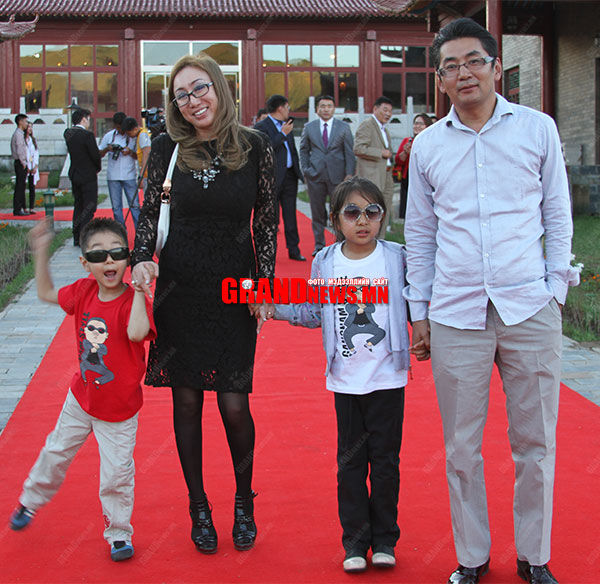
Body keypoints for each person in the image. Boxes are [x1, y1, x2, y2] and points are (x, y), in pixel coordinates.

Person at [404, 18, 578, 584]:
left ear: (496, 67)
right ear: (440, 80)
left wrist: (555, 289)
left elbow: (557, 213)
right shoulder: (428, 145)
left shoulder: (537, 129)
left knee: (536, 441)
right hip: (457, 313)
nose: (464, 73)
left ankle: (534, 556)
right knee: (461, 447)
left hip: (529, 307)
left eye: (474, 61)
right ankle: (472, 557)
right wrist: (419, 311)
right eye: (450, 66)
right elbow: (420, 233)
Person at [130, 53, 277, 554]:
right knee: (187, 400)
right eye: (181, 95)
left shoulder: (256, 145)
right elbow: (149, 211)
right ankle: (198, 505)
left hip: (234, 288)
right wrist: (141, 258)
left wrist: (265, 284)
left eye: (199, 88)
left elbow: (266, 220)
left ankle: (243, 501)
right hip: (180, 287)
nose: (192, 101)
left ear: (219, 87)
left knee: (235, 403)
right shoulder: (166, 146)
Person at [269, 177, 425, 574]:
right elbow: (313, 311)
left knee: (386, 463)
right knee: (350, 465)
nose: (363, 221)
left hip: (388, 378)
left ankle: (385, 540)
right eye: (352, 212)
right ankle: (355, 543)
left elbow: (417, 302)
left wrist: (428, 331)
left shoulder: (397, 258)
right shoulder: (326, 262)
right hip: (346, 380)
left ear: (382, 217)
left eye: (372, 212)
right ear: (336, 219)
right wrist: (273, 308)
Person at [9, 217, 155, 562]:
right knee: (55, 452)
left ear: (129, 257)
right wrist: (41, 251)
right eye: (98, 255)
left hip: (119, 411)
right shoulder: (83, 292)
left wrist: (139, 290)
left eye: (117, 253)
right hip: (81, 400)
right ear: (85, 262)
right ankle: (30, 501)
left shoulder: (132, 301)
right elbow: (45, 293)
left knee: (117, 474)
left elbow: (137, 333)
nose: (109, 261)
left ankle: (119, 533)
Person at [299, 95, 355, 256]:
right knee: (317, 212)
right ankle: (319, 246)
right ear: (317, 109)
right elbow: (303, 150)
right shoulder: (309, 127)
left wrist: (349, 174)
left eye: (329, 106)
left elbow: (349, 152)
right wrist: (306, 170)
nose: (326, 109)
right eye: (322, 106)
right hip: (315, 176)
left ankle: (340, 245)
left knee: (339, 212)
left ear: (334, 109)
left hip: (338, 176)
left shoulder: (343, 127)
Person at [255, 94, 305, 261]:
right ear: (280, 108)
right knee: (270, 217)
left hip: (290, 176)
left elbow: (292, 151)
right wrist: (282, 134)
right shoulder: (261, 126)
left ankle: (294, 249)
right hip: (271, 178)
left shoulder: (286, 125)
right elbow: (265, 149)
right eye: (288, 107)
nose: (289, 111)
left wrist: (298, 172)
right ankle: (268, 251)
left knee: (291, 215)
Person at [354, 97, 394, 235]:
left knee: (384, 211)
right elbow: (358, 148)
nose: (388, 114)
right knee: (372, 211)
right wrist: (380, 153)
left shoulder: (384, 130)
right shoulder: (367, 125)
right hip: (372, 177)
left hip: (386, 175)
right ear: (375, 109)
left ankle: (380, 240)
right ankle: (369, 240)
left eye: (390, 111)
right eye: (385, 110)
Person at [64, 108, 102, 246]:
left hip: (75, 174)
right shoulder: (87, 136)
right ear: (84, 119)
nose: (89, 122)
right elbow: (95, 155)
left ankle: (76, 236)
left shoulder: (68, 133)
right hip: (88, 175)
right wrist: (97, 168)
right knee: (89, 207)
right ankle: (84, 237)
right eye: (88, 119)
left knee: (78, 205)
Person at [99, 112, 140, 229]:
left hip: (129, 175)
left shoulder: (132, 136)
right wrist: (108, 149)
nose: (120, 129)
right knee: (116, 207)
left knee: (135, 205)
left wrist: (130, 152)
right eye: (117, 127)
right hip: (113, 176)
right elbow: (99, 153)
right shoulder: (109, 136)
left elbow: (139, 155)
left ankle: (139, 231)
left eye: (121, 127)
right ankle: (121, 231)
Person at [392, 113, 433, 221]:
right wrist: (406, 152)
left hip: (424, 177)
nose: (417, 126)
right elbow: (398, 160)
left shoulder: (431, 141)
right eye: (415, 123)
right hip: (408, 176)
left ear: (427, 126)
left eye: (421, 124)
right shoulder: (407, 140)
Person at [122, 116, 151, 191]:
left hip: (148, 174)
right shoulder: (139, 136)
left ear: (135, 129)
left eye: (129, 133)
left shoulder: (143, 135)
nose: (129, 136)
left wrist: (141, 176)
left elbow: (146, 154)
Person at [11, 113, 29, 216]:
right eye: (25, 121)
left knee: (21, 186)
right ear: (20, 122)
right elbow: (20, 150)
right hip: (20, 162)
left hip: (20, 162)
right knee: (20, 186)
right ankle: (17, 209)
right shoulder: (18, 134)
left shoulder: (20, 133)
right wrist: (23, 162)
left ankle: (20, 207)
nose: (26, 124)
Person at [24, 122, 39, 215]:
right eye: (28, 127)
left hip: (33, 165)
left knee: (32, 187)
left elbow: (36, 153)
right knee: (23, 187)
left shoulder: (33, 140)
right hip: (26, 165)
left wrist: (35, 165)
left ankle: (31, 207)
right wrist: (27, 165)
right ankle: (24, 207)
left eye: (31, 127)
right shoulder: (23, 140)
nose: (30, 129)